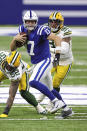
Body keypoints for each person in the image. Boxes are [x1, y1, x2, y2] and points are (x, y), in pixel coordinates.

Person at [10, 10, 66, 114]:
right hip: (36, 62)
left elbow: (57, 38)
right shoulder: (22, 30)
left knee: (33, 82)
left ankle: (55, 102)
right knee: (50, 88)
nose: (30, 24)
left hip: (45, 60)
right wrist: (14, 39)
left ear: (36, 22)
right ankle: (66, 109)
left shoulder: (41, 30)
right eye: (28, 21)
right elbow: (12, 49)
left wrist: (57, 54)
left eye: (32, 21)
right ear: (24, 21)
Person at [37, 11, 74, 118]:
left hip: (64, 61)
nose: (53, 24)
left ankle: (51, 102)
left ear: (60, 22)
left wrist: (49, 49)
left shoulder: (65, 31)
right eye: (51, 21)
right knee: (42, 76)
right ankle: (39, 100)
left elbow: (64, 50)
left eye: (56, 21)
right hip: (52, 58)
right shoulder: (45, 28)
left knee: (55, 84)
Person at [0, 50, 47, 118]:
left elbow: (11, 96)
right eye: (8, 66)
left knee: (23, 92)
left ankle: (38, 107)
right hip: (2, 71)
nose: (9, 69)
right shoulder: (1, 56)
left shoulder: (17, 74)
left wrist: (5, 112)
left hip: (23, 72)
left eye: (12, 67)